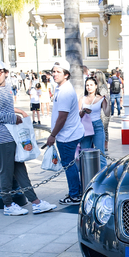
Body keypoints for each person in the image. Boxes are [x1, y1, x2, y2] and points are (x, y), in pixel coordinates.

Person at [0, 60, 57, 216]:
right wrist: (12, 117)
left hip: (13, 134)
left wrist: (19, 111)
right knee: (6, 171)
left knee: (20, 168)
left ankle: (35, 202)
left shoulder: (8, 87)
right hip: (1, 137)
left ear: (6, 73)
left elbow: (6, 108)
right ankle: (8, 205)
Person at [45, 59, 85, 205]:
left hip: (67, 135)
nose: (54, 74)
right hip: (68, 133)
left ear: (66, 75)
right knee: (70, 164)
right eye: (53, 71)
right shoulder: (61, 89)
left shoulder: (65, 92)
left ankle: (75, 195)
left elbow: (62, 117)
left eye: (58, 72)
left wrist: (52, 135)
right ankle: (76, 192)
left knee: (69, 165)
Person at [80, 77, 109, 168]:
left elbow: (107, 113)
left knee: (101, 153)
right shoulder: (82, 99)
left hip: (97, 126)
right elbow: (78, 115)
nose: (89, 87)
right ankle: (87, 177)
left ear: (96, 86)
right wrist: (83, 111)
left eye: (91, 85)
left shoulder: (101, 98)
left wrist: (108, 101)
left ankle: (104, 177)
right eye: (87, 85)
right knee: (85, 153)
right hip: (85, 127)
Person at [94, 71, 111, 151]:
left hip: (103, 110)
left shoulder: (102, 87)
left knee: (104, 128)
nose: (94, 78)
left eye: (95, 77)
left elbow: (104, 99)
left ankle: (105, 145)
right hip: (102, 109)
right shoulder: (101, 86)